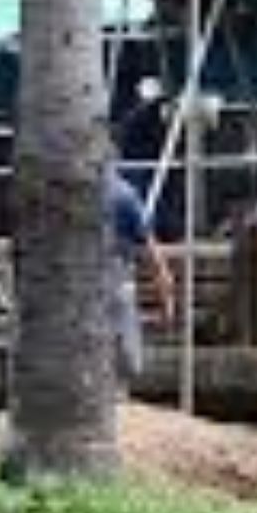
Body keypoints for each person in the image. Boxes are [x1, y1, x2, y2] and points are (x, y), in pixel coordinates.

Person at [108, 164, 176, 384]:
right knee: (127, 359)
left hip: (92, 279)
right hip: (114, 279)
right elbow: (151, 250)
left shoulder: (73, 193)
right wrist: (166, 300)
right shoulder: (124, 195)